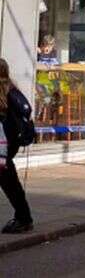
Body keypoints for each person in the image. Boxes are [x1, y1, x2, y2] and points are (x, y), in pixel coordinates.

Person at [0, 59, 32, 233]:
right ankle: (24, 217)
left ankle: (24, 218)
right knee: (9, 181)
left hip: (3, 144)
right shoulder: (11, 89)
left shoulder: (5, 92)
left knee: (9, 182)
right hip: (8, 144)